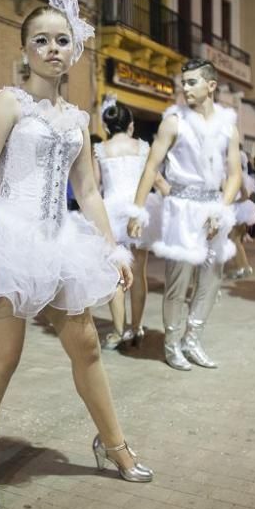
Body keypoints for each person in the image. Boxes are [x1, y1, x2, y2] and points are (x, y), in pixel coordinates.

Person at [0, 0, 151, 509]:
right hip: (8, 239)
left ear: (73, 50)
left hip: (60, 243)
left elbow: (90, 192)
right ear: (25, 49)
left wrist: (113, 249)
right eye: (42, 40)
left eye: (62, 40)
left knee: (88, 348)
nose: (52, 49)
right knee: (4, 358)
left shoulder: (78, 119)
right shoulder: (10, 101)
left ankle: (113, 443)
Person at [127, 58, 242, 371]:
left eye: (192, 82)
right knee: (178, 282)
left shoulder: (227, 127)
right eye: (184, 82)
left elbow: (235, 174)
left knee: (212, 279)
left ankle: (193, 340)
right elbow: (151, 166)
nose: (185, 87)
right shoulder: (173, 121)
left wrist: (221, 208)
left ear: (211, 86)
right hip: (180, 208)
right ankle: (172, 343)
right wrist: (137, 211)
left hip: (213, 209)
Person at [92, 95, 165, 350]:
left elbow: (94, 188)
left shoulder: (100, 150)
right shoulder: (143, 148)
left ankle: (118, 331)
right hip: (138, 210)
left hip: (111, 212)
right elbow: (156, 180)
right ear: (130, 124)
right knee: (139, 274)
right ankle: (137, 327)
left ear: (107, 126)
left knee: (116, 274)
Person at [229, 148, 255, 279]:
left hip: (236, 209)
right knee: (236, 240)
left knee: (233, 240)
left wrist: (232, 201)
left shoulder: (237, 175)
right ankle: (245, 267)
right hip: (241, 209)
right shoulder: (244, 175)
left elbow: (245, 195)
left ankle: (240, 267)